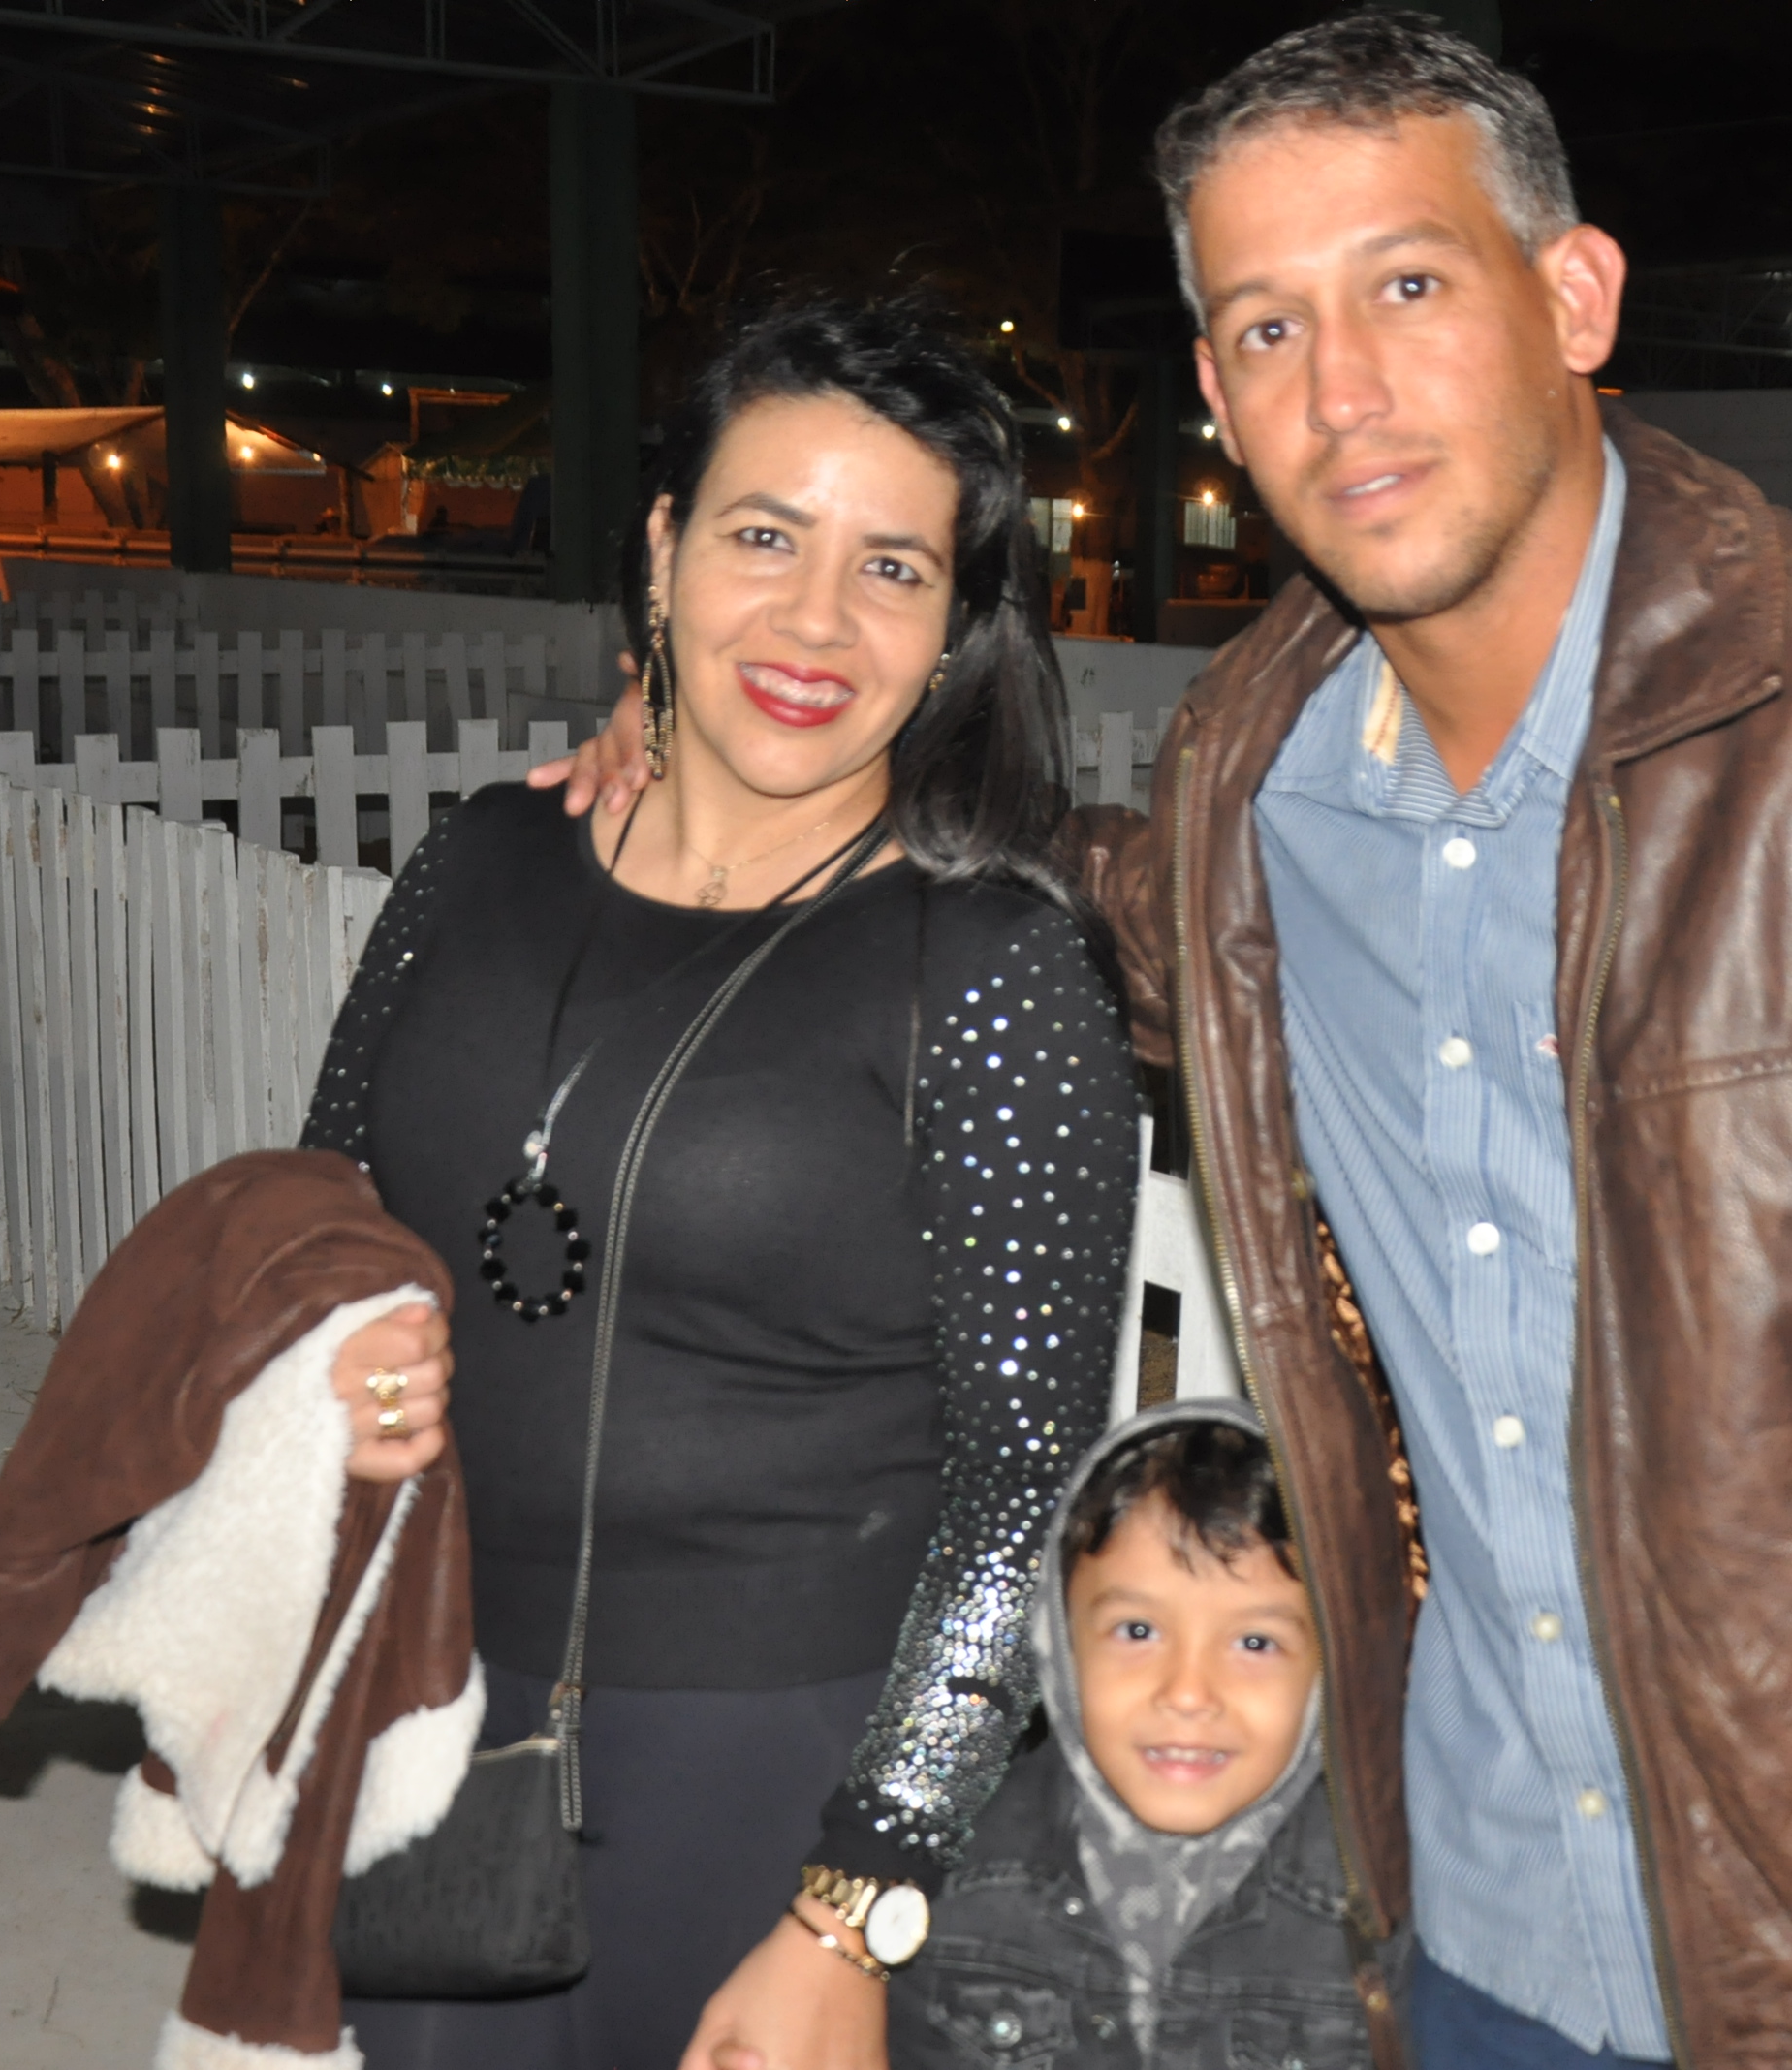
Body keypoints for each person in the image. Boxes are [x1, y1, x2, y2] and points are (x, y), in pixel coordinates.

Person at [547, 17, 1792, 2070]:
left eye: (1407, 285)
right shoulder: (1255, 790)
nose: (1342, 389)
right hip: (1465, 1938)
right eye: (1267, 326)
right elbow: (1064, 882)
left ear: (1574, 297)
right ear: (1215, 388)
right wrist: (733, 737)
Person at [317, 297, 1140, 2070]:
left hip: (781, 1767)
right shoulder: (479, 860)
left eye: (893, 569)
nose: (817, 620)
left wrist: (860, 1896)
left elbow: (1025, 1488)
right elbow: (324, 1219)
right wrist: (330, 1364)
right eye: (765, 536)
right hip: (420, 1688)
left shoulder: (988, 969)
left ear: (956, 629)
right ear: (662, 548)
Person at [891, 1399, 1368, 2070]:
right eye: (1137, 1631)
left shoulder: (1383, 1908)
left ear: (1330, 1663)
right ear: (1060, 1641)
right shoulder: (952, 1878)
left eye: (1255, 1642)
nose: (1188, 1693)